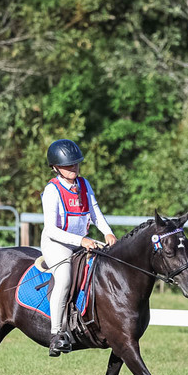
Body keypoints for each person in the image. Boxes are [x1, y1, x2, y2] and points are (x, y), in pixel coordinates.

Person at [41, 139, 117, 356]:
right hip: (57, 244)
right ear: (56, 167)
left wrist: (108, 232)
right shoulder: (52, 191)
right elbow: (51, 229)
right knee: (64, 278)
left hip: (81, 242)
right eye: (67, 165)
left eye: (75, 164)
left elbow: (95, 213)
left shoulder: (84, 184)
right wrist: (81, 241)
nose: (73, 168)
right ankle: (56, 334)